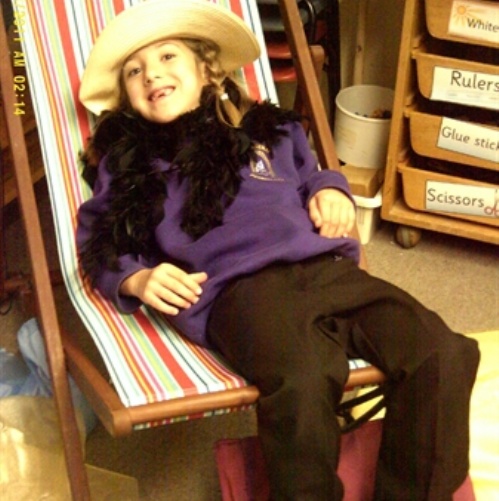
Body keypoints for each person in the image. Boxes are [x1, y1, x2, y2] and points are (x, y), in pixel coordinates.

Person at [76, 1, 480, 499]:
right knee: (304, 379)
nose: (151, 74)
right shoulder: (134, 164)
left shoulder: (268, 131)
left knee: (442, 351)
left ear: (207, 70)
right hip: (239, 292)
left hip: (325, 268)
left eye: (166, 57)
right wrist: (137, 278)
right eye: (134, 71)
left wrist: (330, 190)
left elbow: (313, 174)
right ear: (126, 98)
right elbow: (98, 240)